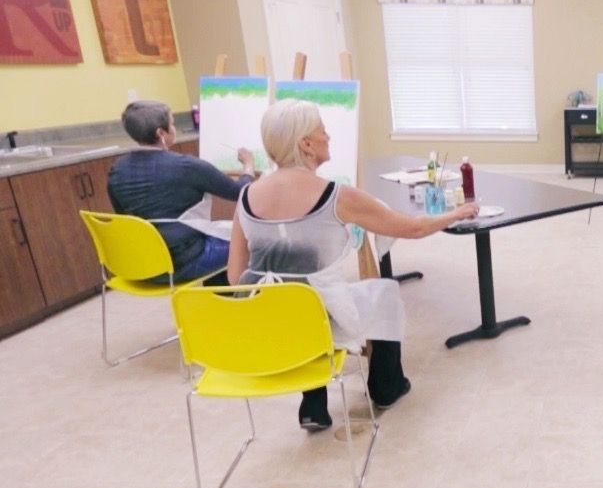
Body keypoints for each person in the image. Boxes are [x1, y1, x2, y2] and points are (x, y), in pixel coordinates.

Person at [227, 99, 479, 431]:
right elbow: (412, 228)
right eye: (322, 131)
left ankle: (313, 402)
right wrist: (456, 213)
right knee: (384, 291)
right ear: (305, 144)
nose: (328, 137)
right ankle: (386, 387)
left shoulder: (246, 196)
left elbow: (235, 277)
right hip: (318, 317)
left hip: (263, 318)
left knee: (298, 295)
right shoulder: (336, 195)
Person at [108, 101, 255, 285]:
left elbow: (123, 218)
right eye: (172, 124)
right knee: (250, 244)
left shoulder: (117, 170)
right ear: (161, 133)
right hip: (182, 262)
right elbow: (240, 192)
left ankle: (215, 301)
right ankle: (227, 304)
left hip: (141, 264)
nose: (174, 128)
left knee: (220, 239)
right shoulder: (186, 166)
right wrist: (248, 165)